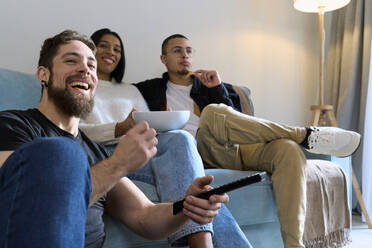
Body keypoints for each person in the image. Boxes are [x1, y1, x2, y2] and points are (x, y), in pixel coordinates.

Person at [0, 30, 230, 248]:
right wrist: (119, 163)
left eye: (91, 65)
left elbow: (145, 216)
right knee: (62, 152)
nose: (85, 69)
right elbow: (23, 199)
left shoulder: (95, 153)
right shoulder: (13, 125)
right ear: (43, 75)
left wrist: (187, 206)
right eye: (72, 61)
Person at [133, 34, 362, 248]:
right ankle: (302, 133)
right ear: (163, 59)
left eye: (189, 51)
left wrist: (218, 89)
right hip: (200, 150)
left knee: (287, 149)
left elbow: (235, 121)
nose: (185, 56)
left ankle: (294, 244)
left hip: (237, 147)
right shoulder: (150, 89)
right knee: (212, 113)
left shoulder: (207, 85)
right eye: (177, 51)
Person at [79, 28, 252, 247]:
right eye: (103, 45)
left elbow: (147, 123)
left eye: (117, 49)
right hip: (105, 154)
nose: (111, 52)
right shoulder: (80, 85)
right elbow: (74, 130)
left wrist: (162, 121)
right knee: (198, 186)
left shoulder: (131, 90)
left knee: (181, 141)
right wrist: (119, 128)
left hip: (140, 153)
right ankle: (201, 242)